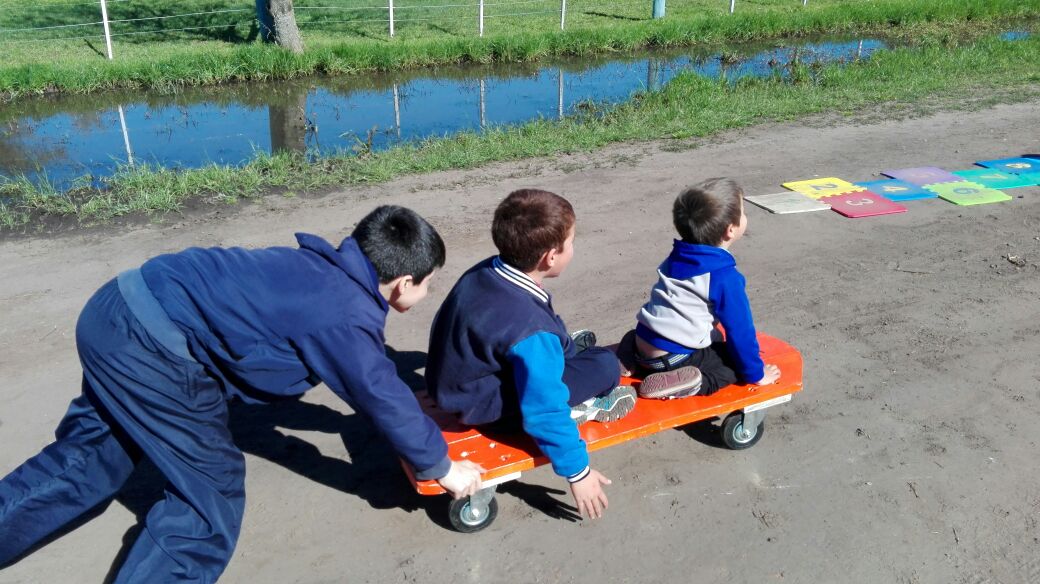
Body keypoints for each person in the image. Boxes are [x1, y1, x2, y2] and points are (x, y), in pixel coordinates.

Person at [0, 206, 483, 583]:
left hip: (116, 307)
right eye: (429, 284)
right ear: (404, 282)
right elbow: (378, 393)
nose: (426, 292)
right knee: (208, 498)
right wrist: (442, 465)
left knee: (90, 459)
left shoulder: (317, 268)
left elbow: (363, 382)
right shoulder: (342, 312)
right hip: (151, 347)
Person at [425, 188, 636, 521]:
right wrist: (578, 473)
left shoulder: (486, 271)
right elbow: (544, 409)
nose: (573, 248)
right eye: (571, 243)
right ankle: (583, 405)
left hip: (455, 381)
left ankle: (563, 349)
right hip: (486, 406)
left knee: (551, 344)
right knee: (605, 364)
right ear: (550, 257)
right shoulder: (532, 330)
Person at [626, 178, 781, 399]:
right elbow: (740, 331)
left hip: (642, 342)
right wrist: (755, 373)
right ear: (730, 230)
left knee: (676, 328)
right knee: (732, 363)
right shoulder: (724, 277)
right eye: (743, 212)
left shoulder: (677, 257)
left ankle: (627, 357)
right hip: (674, 358)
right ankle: (689, 383)